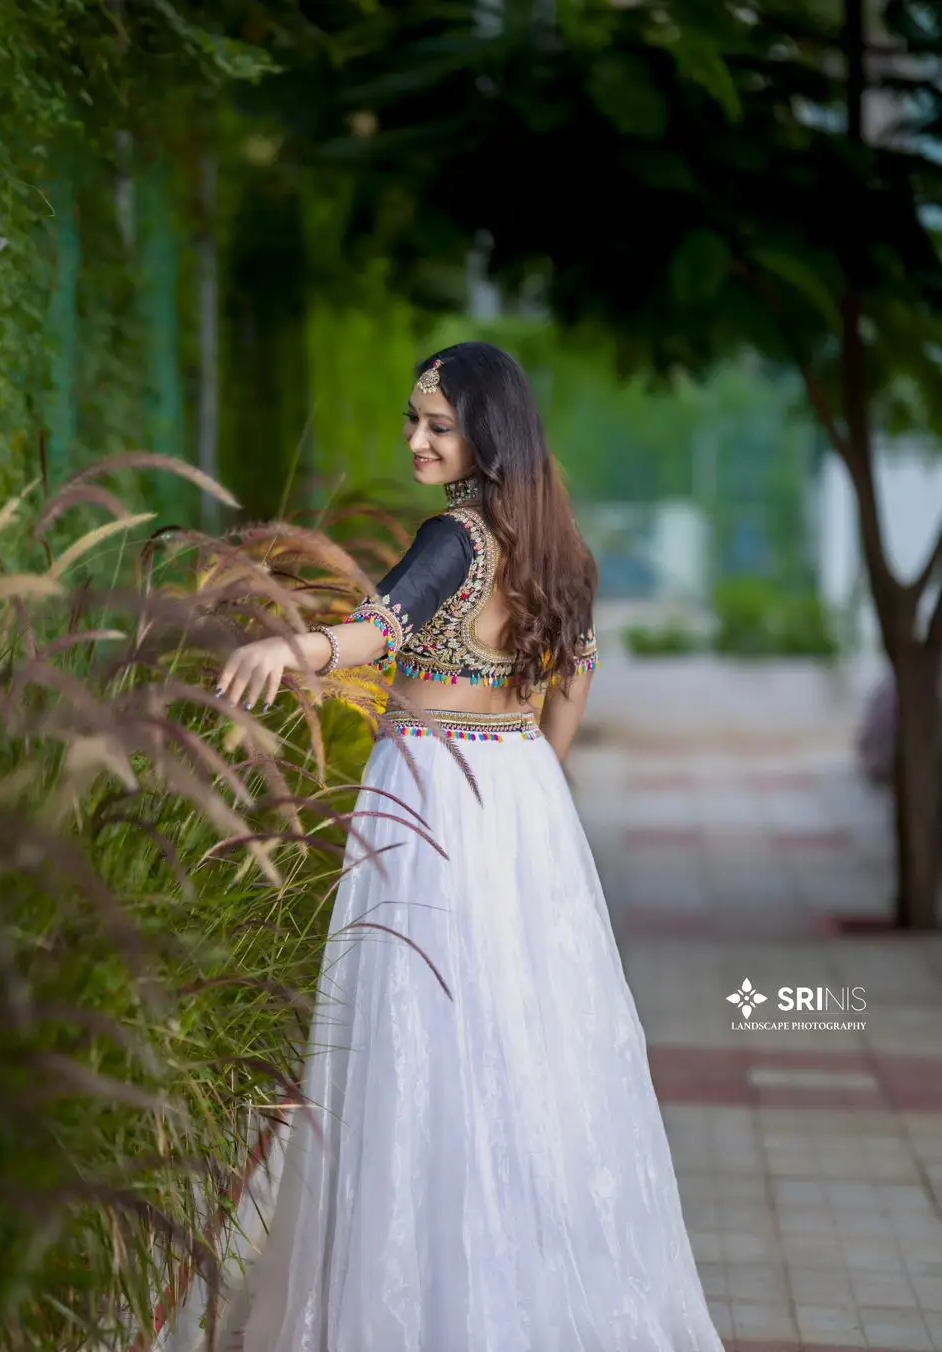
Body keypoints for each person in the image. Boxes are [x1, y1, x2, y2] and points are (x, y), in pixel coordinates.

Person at [215, 342, 724, 1351]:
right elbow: (575, 679)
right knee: (527, 1040)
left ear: (487, 433)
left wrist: (292, 645)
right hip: (523, 796)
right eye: (414, 419)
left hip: (431, 797)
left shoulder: (453, 536)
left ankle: (424, 1302)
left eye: (437, 425)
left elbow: (375, 624)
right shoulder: (559, 545)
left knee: (421, 1038)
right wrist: (536, 780)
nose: (416, 438)